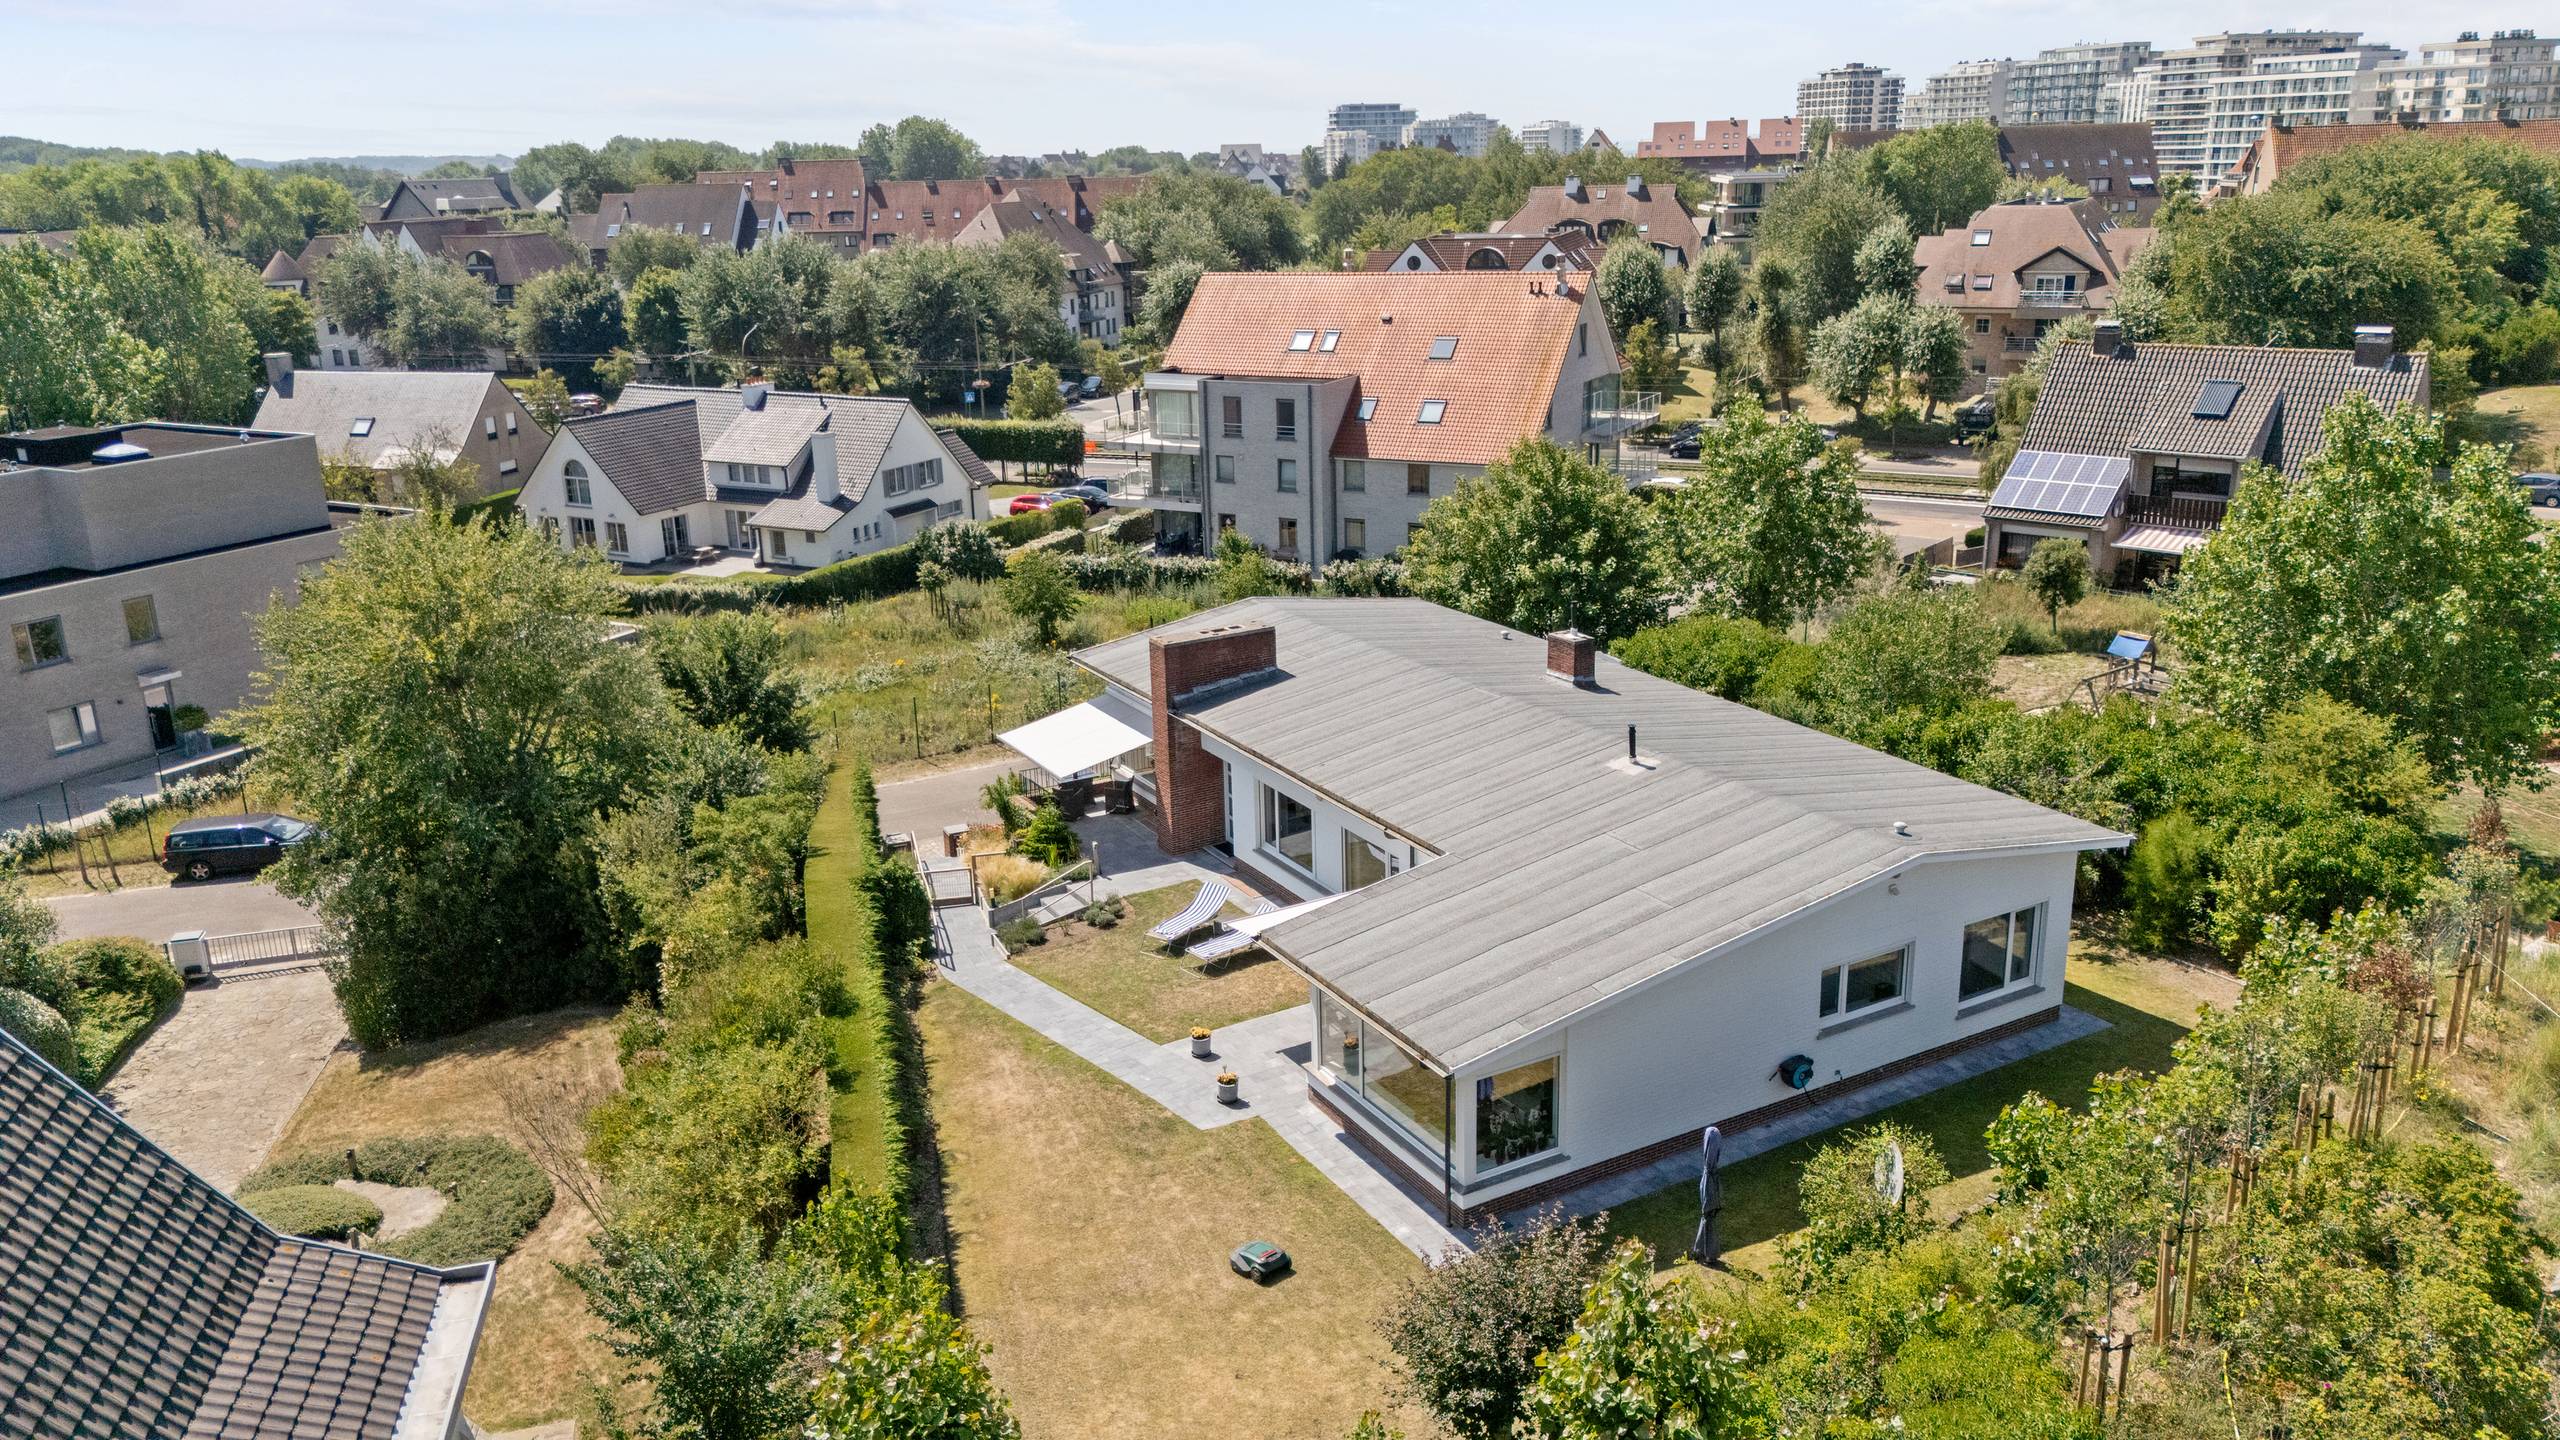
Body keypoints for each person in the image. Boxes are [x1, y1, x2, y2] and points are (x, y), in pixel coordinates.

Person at [1689, 1124, 1725, 1266]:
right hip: (1711, 1192)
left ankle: (1707, 1253)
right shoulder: (1710, 1170)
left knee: (1707, 1223)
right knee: (1706, 1222)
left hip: (1710, 1196)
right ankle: (1700, 1251)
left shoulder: (1709, 1171)